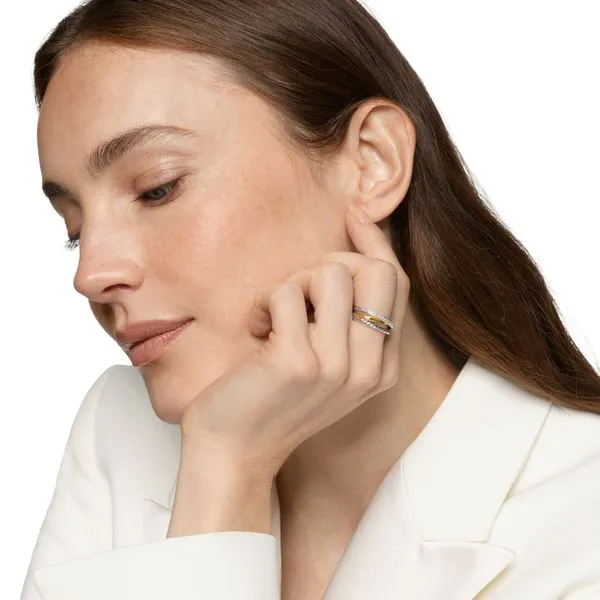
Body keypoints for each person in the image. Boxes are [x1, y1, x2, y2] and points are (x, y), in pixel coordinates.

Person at [21, 0, 600, 598]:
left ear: (373, 162)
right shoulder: (117, 433)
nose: (90, 273)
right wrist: (225, 471)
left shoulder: (584, 518)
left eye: (157, 188)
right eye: (75, 229)